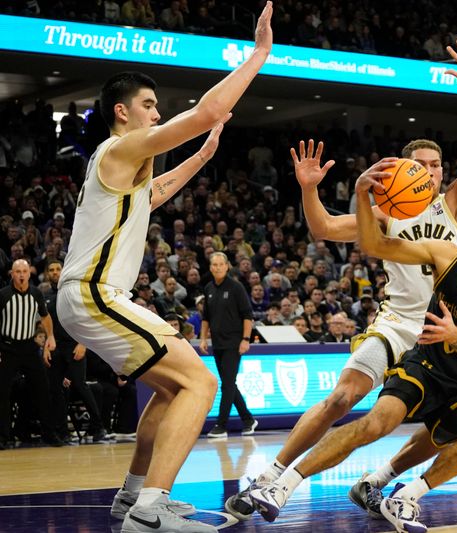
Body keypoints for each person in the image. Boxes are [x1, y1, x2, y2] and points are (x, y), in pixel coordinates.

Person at [224, 37, 457, 520]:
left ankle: (379, 481)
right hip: (396, 324)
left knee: (448, 427)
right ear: (405, 171)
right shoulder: (386, 212)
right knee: (342, 397)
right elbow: (324, 228)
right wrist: (308, 189)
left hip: (444, 335)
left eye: (437, 165)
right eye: (422, 166)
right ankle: (271, 476)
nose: (432, 172)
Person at [55, 4, 274, 531]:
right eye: (149, 105)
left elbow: (156, 192)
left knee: (176, 387)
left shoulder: (123, 170)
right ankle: (150, 511)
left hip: (94, 296)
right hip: (94, 293)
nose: (157, 113)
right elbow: (202, 112)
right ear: (123, 112)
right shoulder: (119, 146)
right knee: (201, 384)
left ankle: (132, 498)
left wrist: (202, 156)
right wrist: (258, 55)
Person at [250, 190, 457, 532]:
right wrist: (361, 192)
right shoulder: (446, 255)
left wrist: (456, 337)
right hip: (425, 366)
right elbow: (376, 246)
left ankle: (405, 497)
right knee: (376, 423)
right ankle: (283, 485)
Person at [43, 259, 108, 443]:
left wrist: (83, 343)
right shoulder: (46, 296)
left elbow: (85, 318)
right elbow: (46, 326)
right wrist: (46, 346)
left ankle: (99, 427)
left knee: (80, 385)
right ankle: (62, 432)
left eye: (58, 269)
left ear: (64, 271)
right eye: (51, 270)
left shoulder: (73, 291)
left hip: (74, 345)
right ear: (48, 274)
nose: (55, 272)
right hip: (56, 347)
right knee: (55, 388)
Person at [0, 259, 62, 449]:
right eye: (17, 271)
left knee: (43, 388)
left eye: (24, 271)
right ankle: (3, 437)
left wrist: (50, 336)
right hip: (7, 347)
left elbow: (45, 316)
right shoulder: (3, 295)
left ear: (29, 273)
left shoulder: (36, 293)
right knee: (2, 392)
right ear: (12, 274)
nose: (20, 275)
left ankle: (49, 434)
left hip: (28, 347)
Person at [199, 252, 257, 439]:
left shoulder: (236, 287)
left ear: (227, 266)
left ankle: (221, 425)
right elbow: (206, 318)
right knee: (229, 384)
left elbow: (247, 315)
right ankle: (248, 420)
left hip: (234, 342)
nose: (217, 267)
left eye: (220, 264)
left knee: (227, 384)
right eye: (214, 264)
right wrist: (203, 339)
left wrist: (246, 339)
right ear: (210, 267)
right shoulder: (208, 288)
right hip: (217, 343)